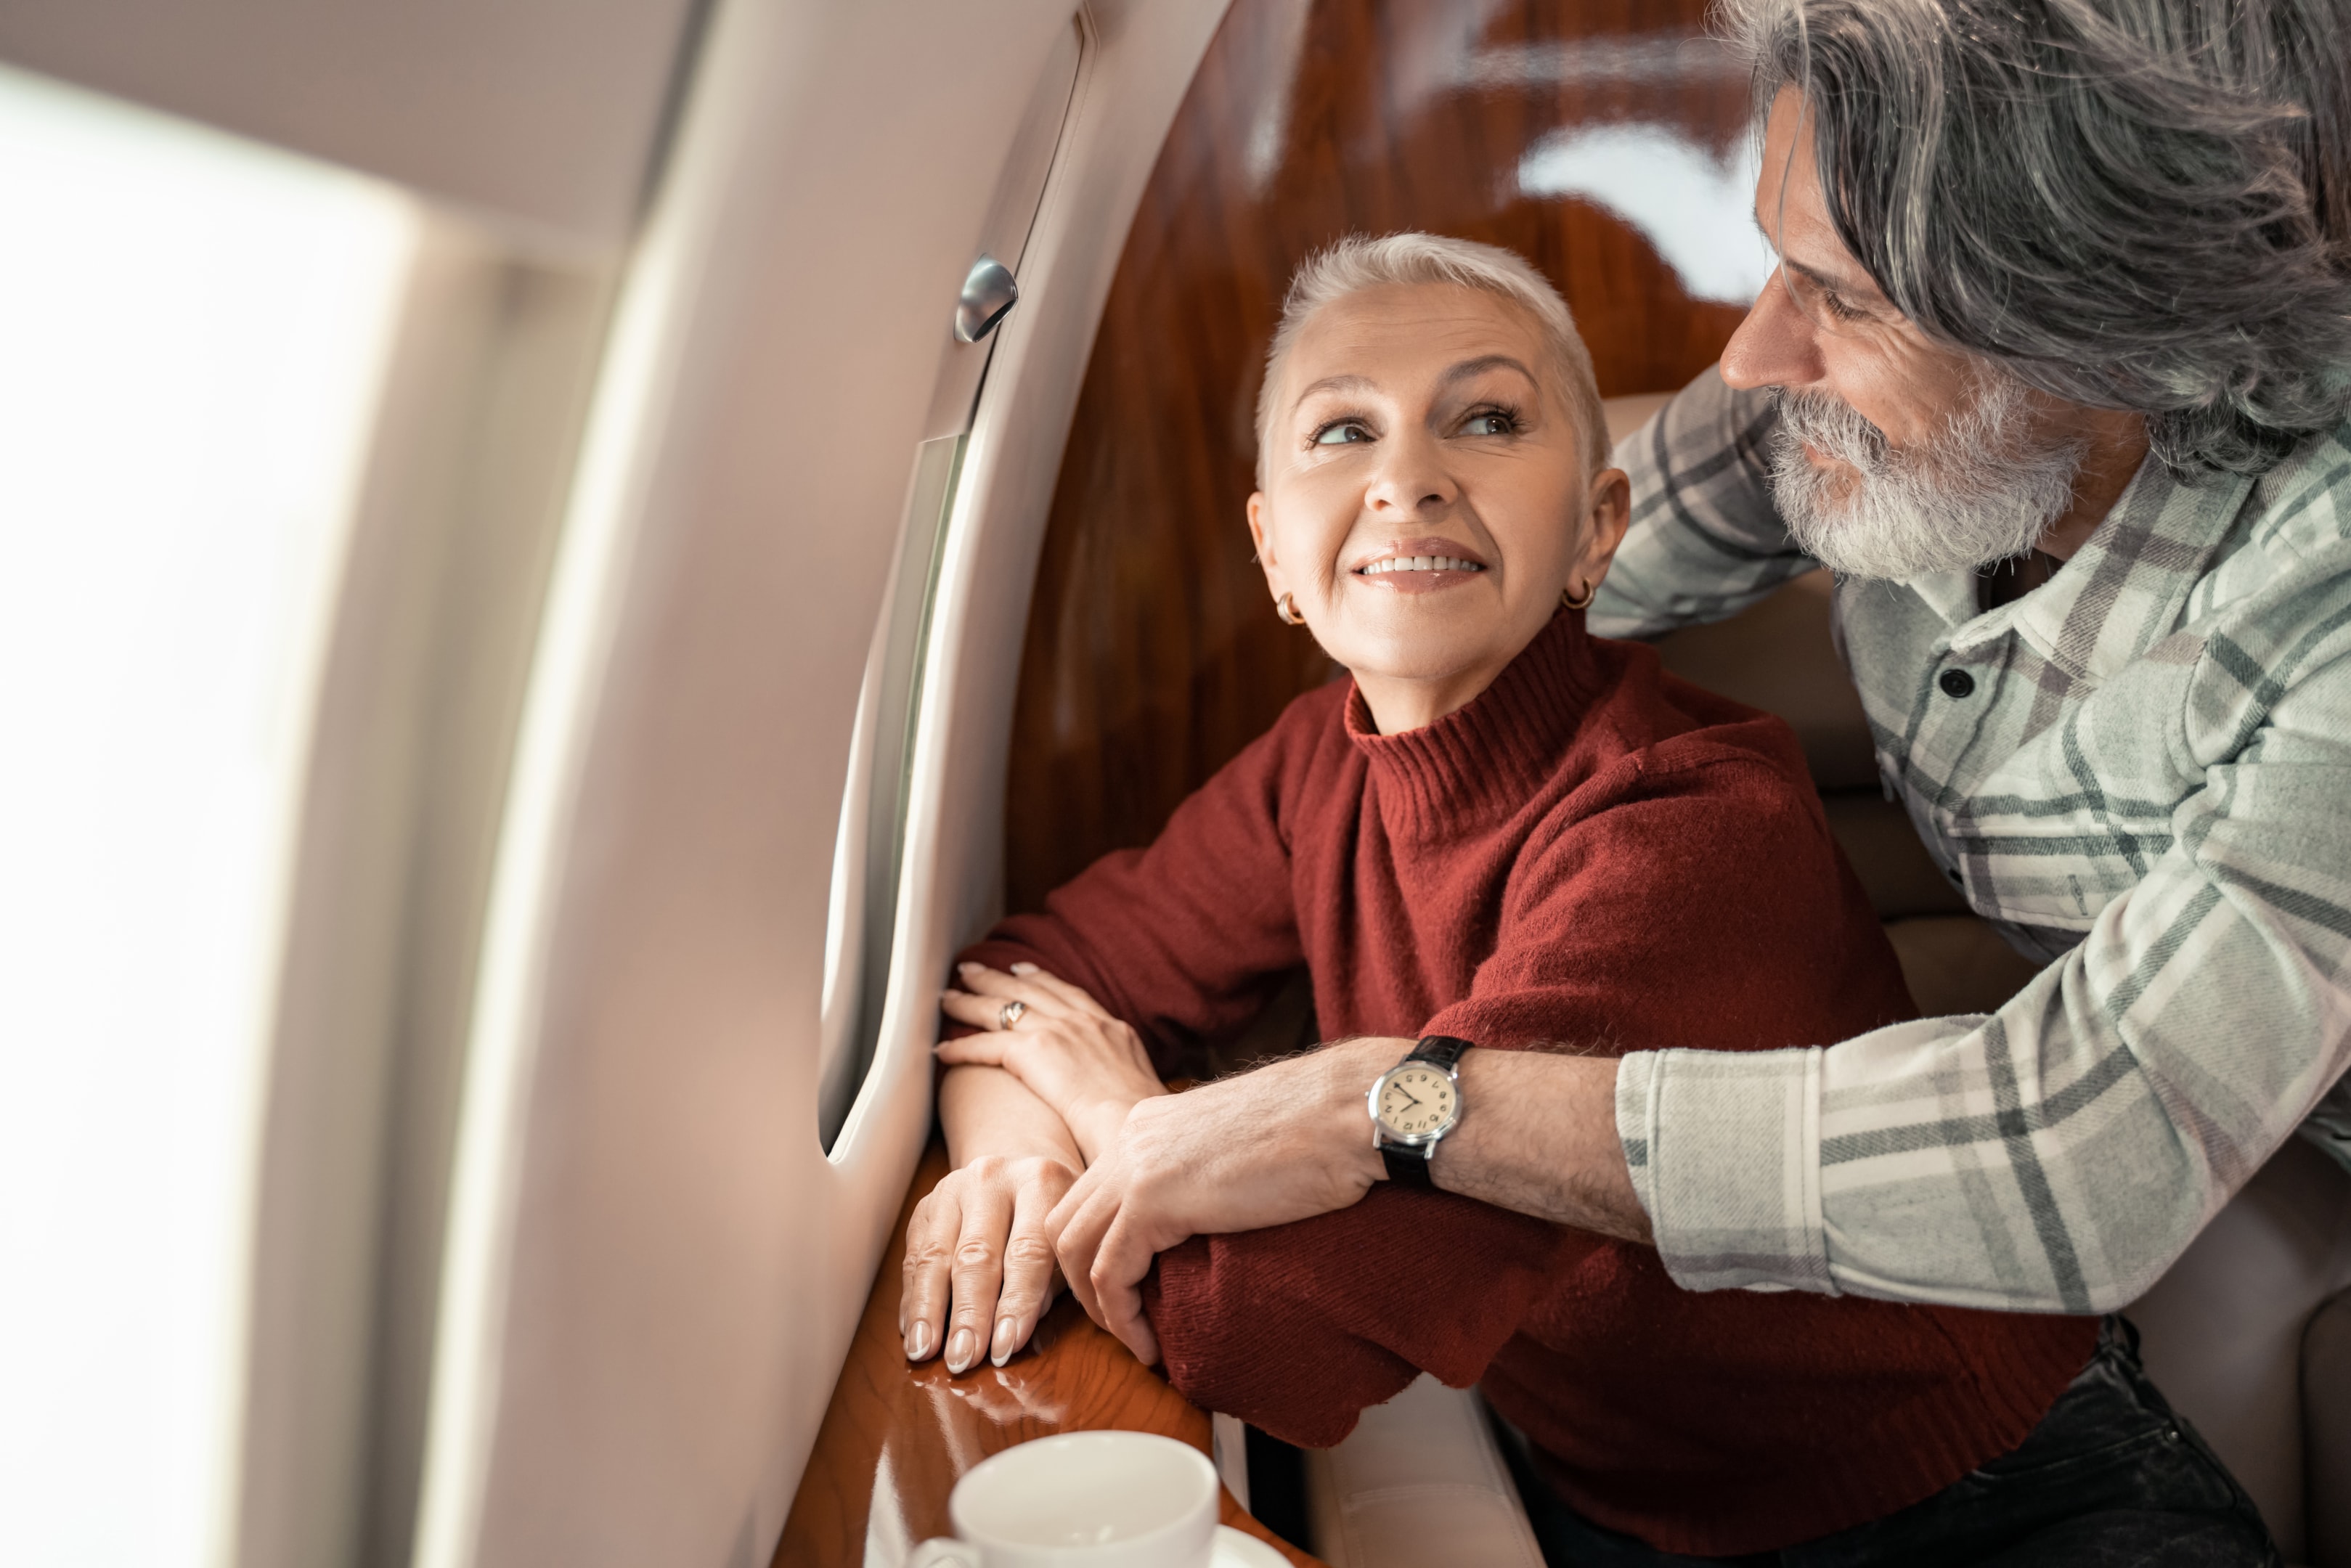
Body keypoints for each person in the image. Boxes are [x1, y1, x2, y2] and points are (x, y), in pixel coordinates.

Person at [1031, 0, 2351, 1403]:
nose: (1753, 357)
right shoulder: (1842, 400)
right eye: (1777, 264)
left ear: (2109, 334)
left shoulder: (2319, 599)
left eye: (1842, 298)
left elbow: (2071, 1168)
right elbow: (1502, 589)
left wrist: (1377, 1099)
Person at [901, 233, 2274, 1561]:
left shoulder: (1683, 823)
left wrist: (1112, 1117)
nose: (1408, 483)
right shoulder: (1309, 769)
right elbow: (1035, 974)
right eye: (1341, 432)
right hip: (1620, 1515)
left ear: (1595, 532)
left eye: (1486, 421)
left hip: (1990, 1500)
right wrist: (1012, 1166)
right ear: (1273, 554)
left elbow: (1253, 1335)